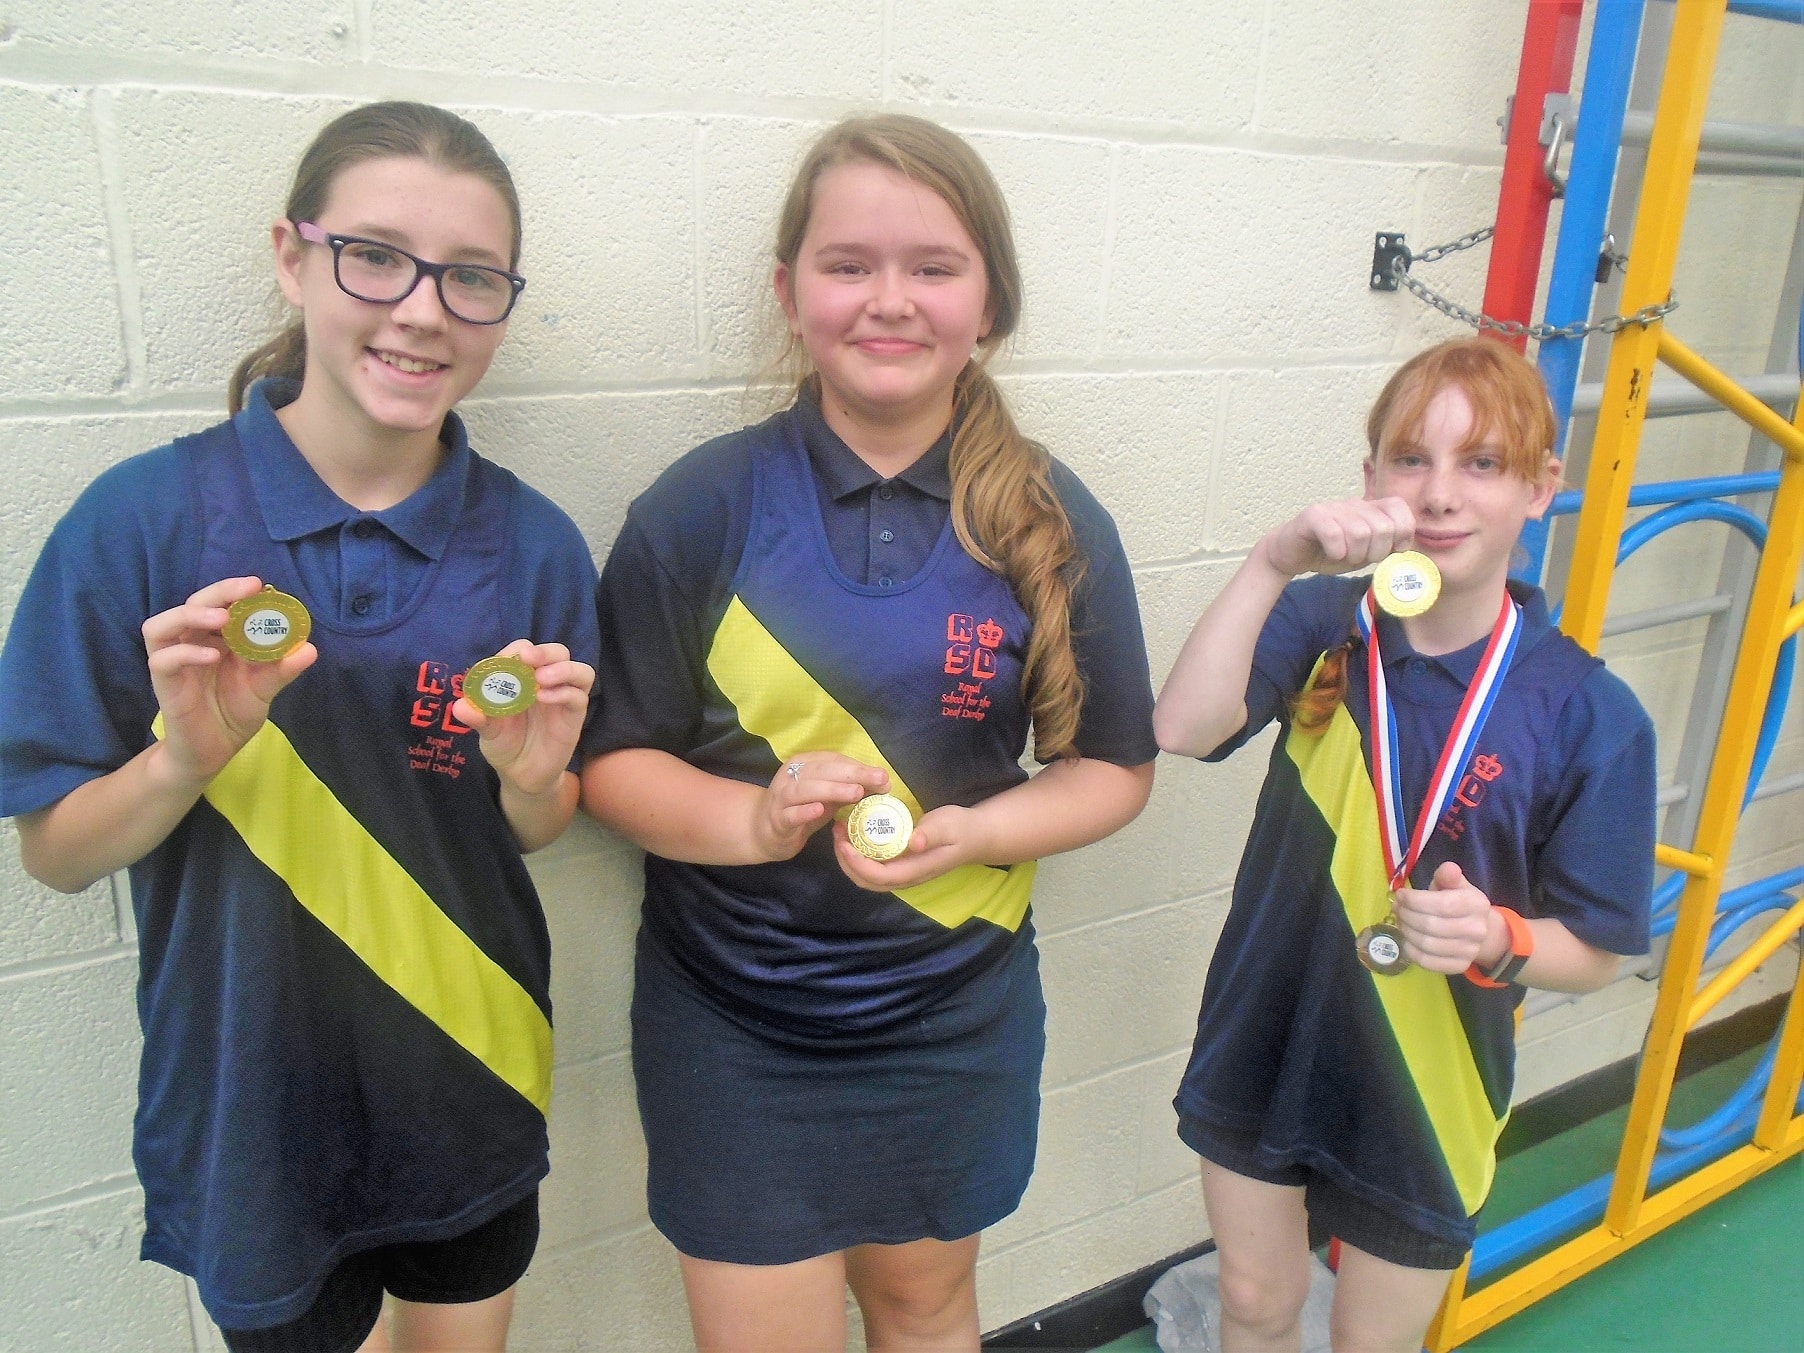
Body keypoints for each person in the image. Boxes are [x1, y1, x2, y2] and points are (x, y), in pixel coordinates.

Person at [0, 102, 599, 1353]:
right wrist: (182, 760)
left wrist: (535, 783)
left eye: (470, 277)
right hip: (253, 1113)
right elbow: (53, 854)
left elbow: (532, 830)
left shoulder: (535, 543)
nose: (423, 309)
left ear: (501, 301)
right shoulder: (141, 524)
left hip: (469, 1076)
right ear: (293, 255)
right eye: (375, 254)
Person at [580, 113, 1158, 1351]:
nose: (888, 301)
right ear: (788, 294)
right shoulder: (700, 507)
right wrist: (748, 817)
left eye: (933, 267)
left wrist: (978, 833)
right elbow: (610, 762)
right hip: (732, 1020)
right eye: (848, 265)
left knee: (925, 1308)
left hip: (954, 1009)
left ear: (989, 303)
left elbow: (1113, 769)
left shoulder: (1050, 520)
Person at [1153, 337, 1655, 1353]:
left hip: (1427, 1087)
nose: (1439, 493)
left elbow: (1602, 951)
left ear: (1539, 488)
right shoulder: (1321, 622)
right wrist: (1270, 560)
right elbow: (1183, 727)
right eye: (1410, 459)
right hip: (1266, 1030)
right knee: (1253, 1305)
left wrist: (1498, 935)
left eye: (1480, 463)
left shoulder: (1588, 713)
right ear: (1371, 478)